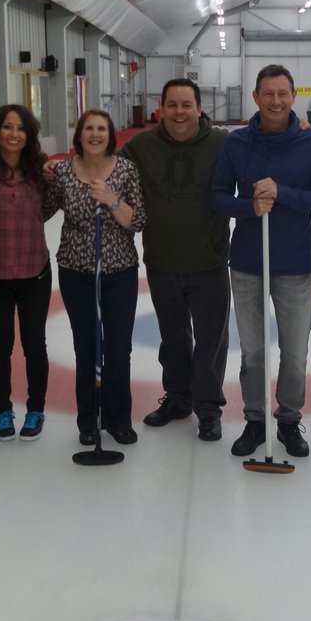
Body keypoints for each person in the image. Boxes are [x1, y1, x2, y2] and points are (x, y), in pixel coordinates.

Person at [211, 65, 311, 458]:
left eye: (283, 93)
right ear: (255, 97)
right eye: (268, 94)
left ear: (293, 96)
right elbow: (218, 196)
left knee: (295, 352)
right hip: (247, 263)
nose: (276, 101)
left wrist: (283, 193)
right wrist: (250, 207)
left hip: (295, 264)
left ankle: (287, 419)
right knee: (253, 352)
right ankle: (254, 420)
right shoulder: (237, 143)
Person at [121, 79, 231, 442]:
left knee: (211, 339)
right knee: (173, 338)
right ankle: (179, 398)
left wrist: (300, 126)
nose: (179, 112)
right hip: (162, 261)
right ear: (161, 108)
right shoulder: (141, 146)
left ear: (199, 108)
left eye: (186, 105)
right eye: (172, 105)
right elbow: (104, 165)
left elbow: (260, 148)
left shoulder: (222, 142)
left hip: (210, 261)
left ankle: (209, 407)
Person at [46, 109, 146, 446]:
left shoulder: (126, 170)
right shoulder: (63, 171)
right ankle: (88, 418)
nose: (95, 134)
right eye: (88, 128)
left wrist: (111, 199)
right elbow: (43, 209)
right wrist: (40, 176)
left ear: (110, 135)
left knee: (117, 349)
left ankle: (118, 418)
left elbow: (138, 220)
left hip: (119, 272)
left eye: (101, 128)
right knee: (86, 348)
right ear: (79, 135)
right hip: (76, 272)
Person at [0, 104, 53, 443]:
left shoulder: (40, 169)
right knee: (0, 346)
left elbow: (49, 207)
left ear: (29, 134)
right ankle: (3, 410)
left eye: (20, 128)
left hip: (34, 271)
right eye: (7, 127)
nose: (14, 134)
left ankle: (36, 409)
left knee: (34, 344)